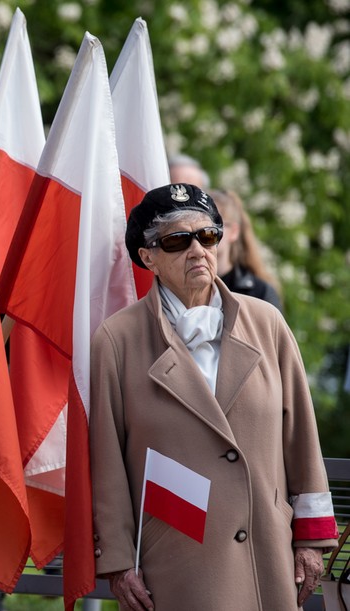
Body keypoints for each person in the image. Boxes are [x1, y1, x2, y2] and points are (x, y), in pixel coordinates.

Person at [90, 183, 338, 610]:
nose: (197, 250)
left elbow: (302, 438)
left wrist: (312, 537)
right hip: (177, 556)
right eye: (177, 241)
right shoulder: (118, 338)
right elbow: (107, 457)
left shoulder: (267, 323)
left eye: (207, 236)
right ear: (147, 257)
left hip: (268, 550)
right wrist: (117, 560)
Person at [209, 188, 282, 310]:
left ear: (234, 232)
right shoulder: (185, 285)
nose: (206, 232)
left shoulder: (260, 293)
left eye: (215, 225)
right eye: (200, 226)